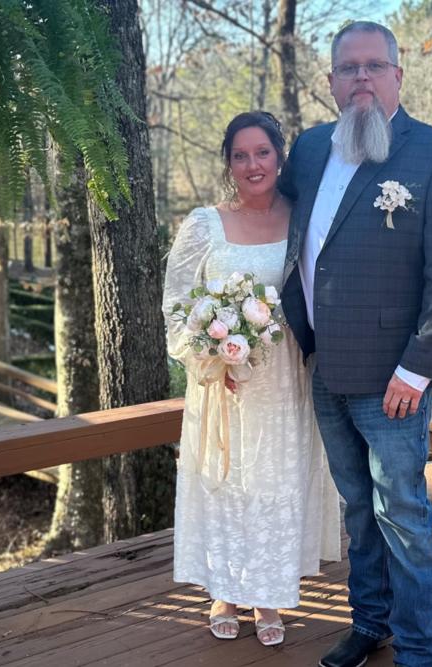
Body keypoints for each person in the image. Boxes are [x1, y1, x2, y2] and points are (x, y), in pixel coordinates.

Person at [279, 21, 432, 667]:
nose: (361, 76)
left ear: (397, 75)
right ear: (331, 81)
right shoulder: (311, 149)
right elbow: (281, 229)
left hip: (393, 380)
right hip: (325, 366)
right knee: (358, 511)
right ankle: (371, 622)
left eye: (373, 65)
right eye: (348, 67)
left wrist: (417, 370)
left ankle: (421, 650)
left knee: (403, 517)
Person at [162, 111, 341, 648]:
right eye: (240, 156)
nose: (252, 164)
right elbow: (176, 304)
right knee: (228, 479)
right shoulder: (204, 224)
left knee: (276, 483)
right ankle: (223, 592)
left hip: (286, 378)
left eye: (262, 152)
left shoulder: (304, 219)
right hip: (224, 383)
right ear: (228, 164)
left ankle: (268, 594)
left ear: (279, 157)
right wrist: (208, 358)